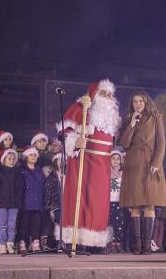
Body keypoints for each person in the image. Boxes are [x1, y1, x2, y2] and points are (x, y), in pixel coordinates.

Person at [56, 78, 121, 248]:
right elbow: (64, 131)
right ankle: (77, 241)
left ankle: (97, 241)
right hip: (85, 162)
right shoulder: (82, 108)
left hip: (103, 165)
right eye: (103, 93)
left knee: (99, 203)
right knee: (82, 199)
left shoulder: (113, 118)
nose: (107, 97)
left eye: (110, 94)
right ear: (94, 94)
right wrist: (74, 142)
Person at [119, 90, 166, 255]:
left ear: (146, 102)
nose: (138, 104)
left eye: (140, 101)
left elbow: (161, 143)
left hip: (150, 163)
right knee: (135, 205)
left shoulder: (156, 118)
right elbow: (124, 143)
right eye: (135, 101)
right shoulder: (129, 119)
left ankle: (147, 245)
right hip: (133, 165)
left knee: (149, 203)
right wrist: (132, 123)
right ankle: (138, 244)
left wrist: (156, 162)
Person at [0, 148, 23, 254]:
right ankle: (2, 244)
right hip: (1, 204)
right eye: (9, 159)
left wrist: (19, 201)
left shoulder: (18, 174)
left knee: (12, 225)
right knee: (2, 225)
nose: (12, 161)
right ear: (3, 160)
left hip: (14, 204)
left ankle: (10, 243)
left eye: (14, 159)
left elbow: (20, 189)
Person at [19, 146, 44, 254]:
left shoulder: (39, 171)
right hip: (25, 203)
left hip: (37, 203)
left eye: (35, 155)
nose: (33, 157)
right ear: (26, 157)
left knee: (36, 223)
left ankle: (35, 241)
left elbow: (42, 186)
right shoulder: (22, 171)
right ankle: (23, 241)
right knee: (24, 224)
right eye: (31, 155)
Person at [41, 152, 62, 250]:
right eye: (60, 160)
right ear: (55, 162)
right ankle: (53, 243)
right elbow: (48, 191)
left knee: (63, 224)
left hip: (66, 204)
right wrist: (48, 205)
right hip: (55, 204)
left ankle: (62, 242)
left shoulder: (70, 175)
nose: (62, 162)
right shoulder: (52, 176)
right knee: (55, 223)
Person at [108, 149, 125, 253]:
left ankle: (118, 243)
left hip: (119, 201)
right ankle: (109, 243)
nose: (115, 161)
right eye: (113, 158)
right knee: (110, 223)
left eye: (118, 159)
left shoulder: (123, 173)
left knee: (119, 223)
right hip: (109, 202)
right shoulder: (106, 171)